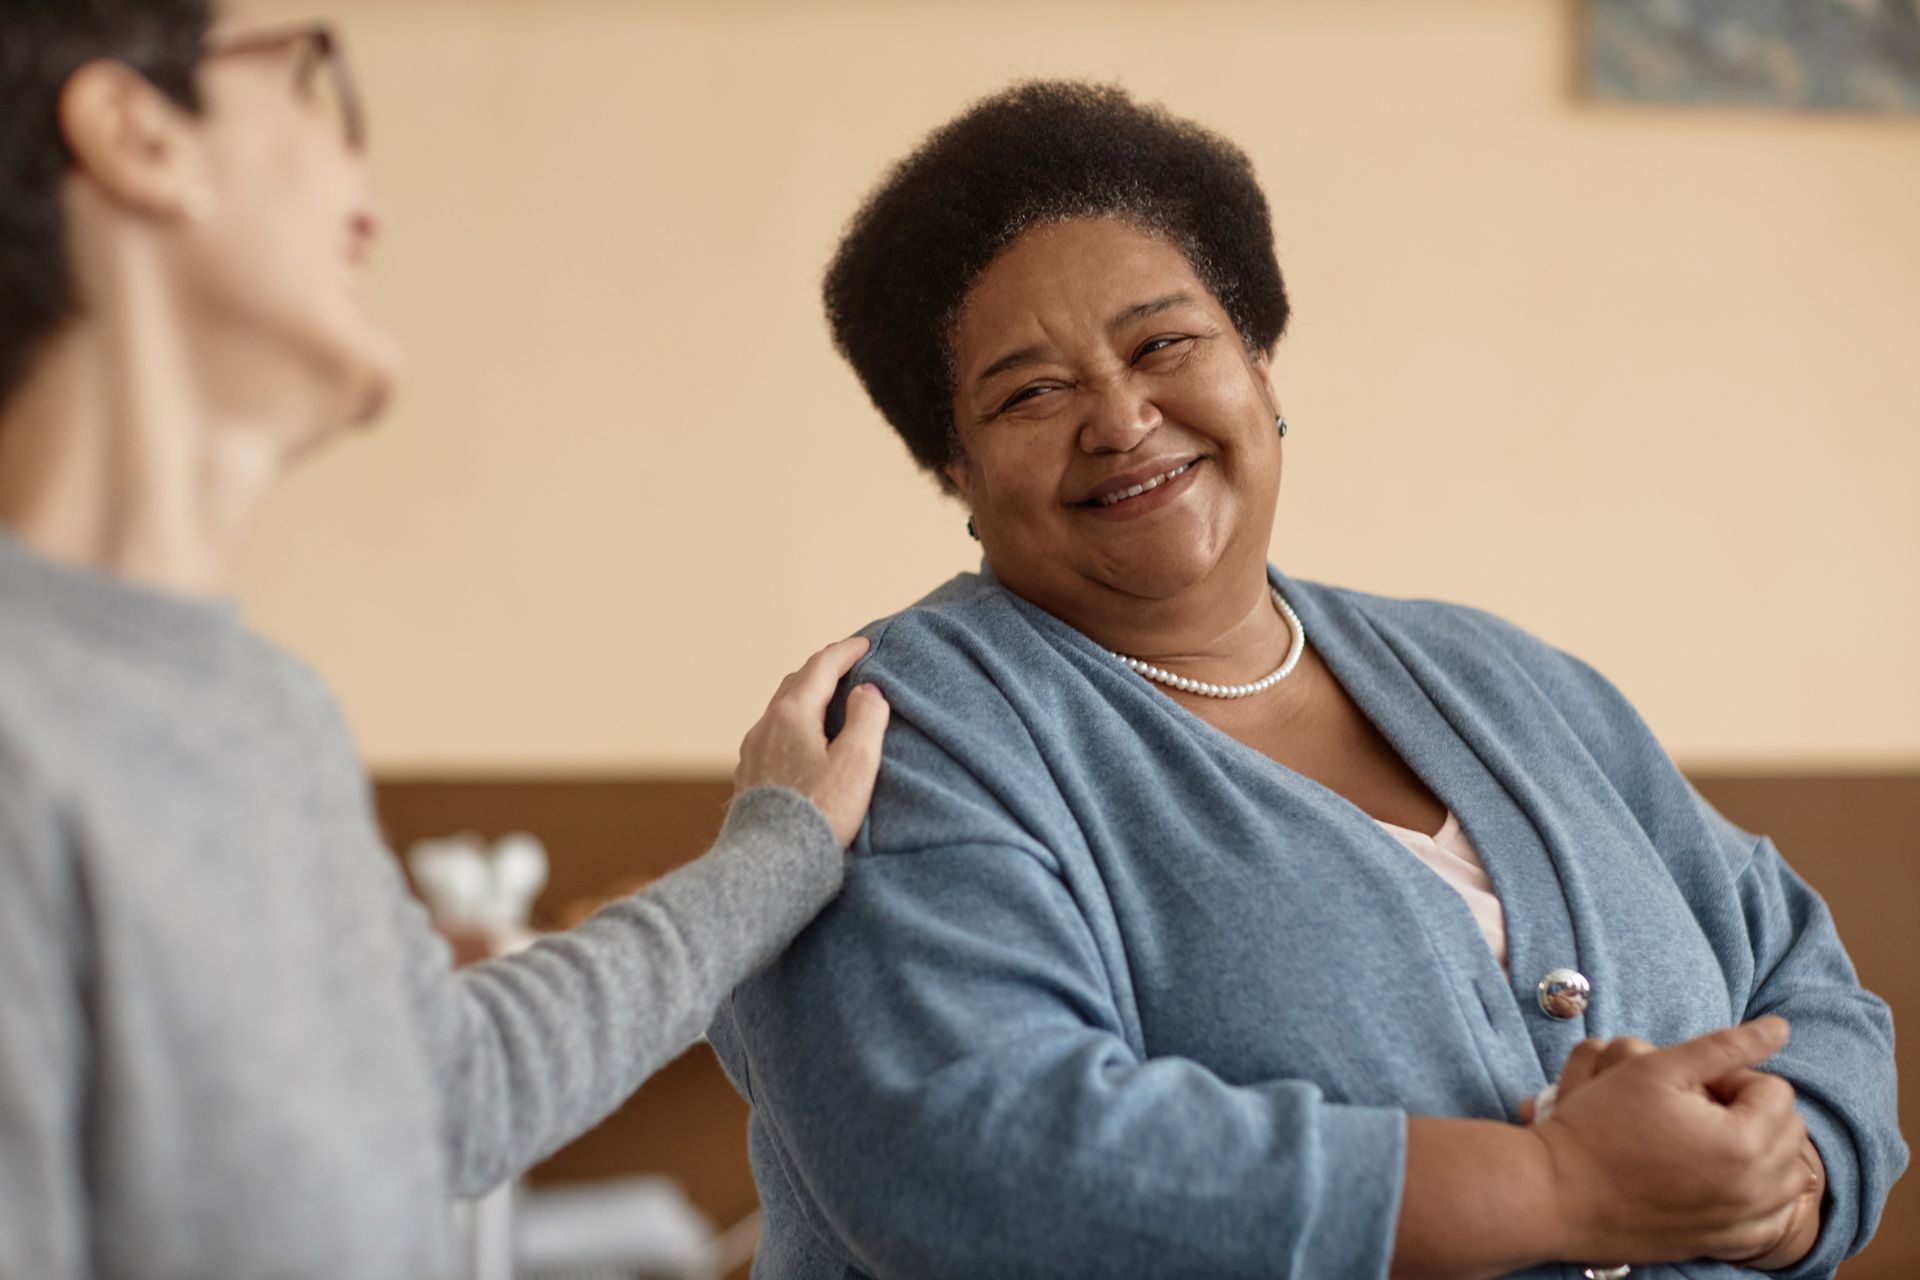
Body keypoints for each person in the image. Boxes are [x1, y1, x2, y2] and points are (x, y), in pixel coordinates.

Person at [709, 81, 1905, 1278]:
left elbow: (1801, 974)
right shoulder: (906, 728)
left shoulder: (1498, 673)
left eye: (1164, 342)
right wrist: (1564, 1187)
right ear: (955, 469)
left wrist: (1783, 1185)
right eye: (1031, 390)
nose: (1122, 418)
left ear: (1261, 368)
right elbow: (973, 1157)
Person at [0, 3, 888, 1277]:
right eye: (315, 81)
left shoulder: (273, 713)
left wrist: (776, 853)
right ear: (140, 135)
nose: (377, 195)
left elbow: (444, 1090)